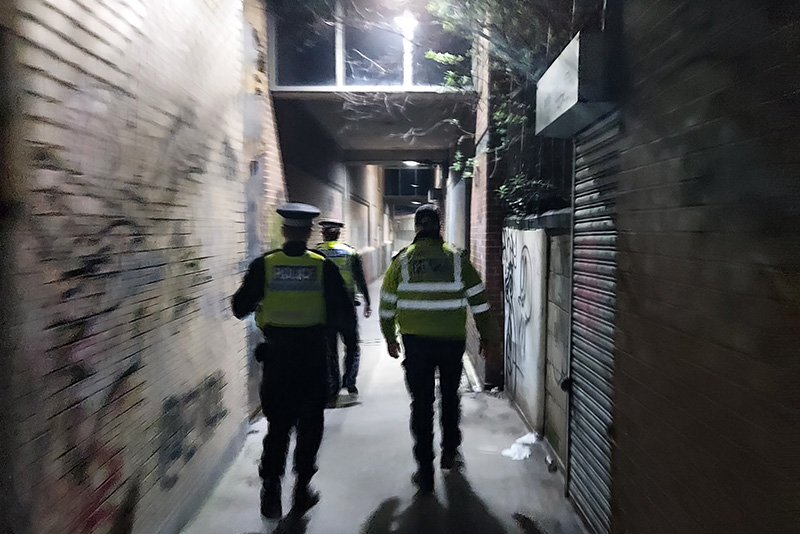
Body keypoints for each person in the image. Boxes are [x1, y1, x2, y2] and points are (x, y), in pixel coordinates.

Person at [231, 203, 356, 519]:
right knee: (310, 425)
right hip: (313, 357)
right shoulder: (322, 266)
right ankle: (301, 492)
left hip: (278, 359)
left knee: (278, 426)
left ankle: (271, 491)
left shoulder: (265, 265)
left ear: (285, 231)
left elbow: (239, 306)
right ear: (309, 231)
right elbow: (343, 311)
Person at [379, 204, 498, 493]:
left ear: (418, 226)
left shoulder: (402, 262)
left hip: (416, 343)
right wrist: (488, 337)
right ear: (439, 226)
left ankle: (424, 467)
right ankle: (449, 451)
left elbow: (386, 304)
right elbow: (480, 302)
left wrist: (390, 337)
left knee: (421, 403)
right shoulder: (457, 260)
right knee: (449, 396)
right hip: (451, 341)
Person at [316, 219, 371, 402]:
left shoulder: (317, 253)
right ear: (338, 234)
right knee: (353, 346)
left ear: (323, 234)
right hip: (346, 306)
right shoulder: (349, 252)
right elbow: (360, 278)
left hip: (325, 308)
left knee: (330, 350)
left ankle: (333, 387)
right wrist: (367, 301)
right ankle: (350, 380)